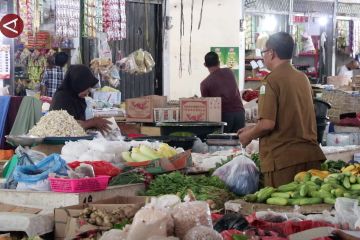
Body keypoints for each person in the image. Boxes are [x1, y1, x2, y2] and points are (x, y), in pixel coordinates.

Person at [238, 32, 326, 187]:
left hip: (284, 162)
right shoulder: (302, 78)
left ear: (271, 53)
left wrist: (248, 136)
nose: (263, 56)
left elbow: (267, 124)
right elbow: (290, 115)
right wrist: (254, 127)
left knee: (282, 210)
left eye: (263, 52)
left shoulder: (271, 81)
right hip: (310, 157)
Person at [51, 65, 111, 132]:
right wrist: (92, 122)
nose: (88, 91)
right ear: (78, 83)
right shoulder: (61, 98)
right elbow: (62, 125)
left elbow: (80, 121)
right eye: (86, 86)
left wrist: (94, 124)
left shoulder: (77, 97)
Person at [200, 52, 245, 133]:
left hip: (224, 117)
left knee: (223, 143)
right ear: (219, 62)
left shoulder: (204, 84)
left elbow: (207, 107)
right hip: (240, 114)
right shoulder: (229, 72)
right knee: (239, 143)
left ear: (205, 65)